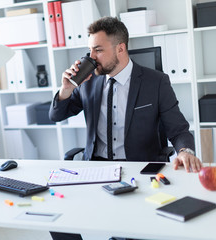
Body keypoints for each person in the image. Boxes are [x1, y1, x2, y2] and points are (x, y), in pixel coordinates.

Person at [48, 16, 202, 240]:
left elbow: (178, 129)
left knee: (132, 229)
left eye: (98, 50)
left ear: (120, 48)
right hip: (96, 168)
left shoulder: (156, 82)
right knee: (59, 217)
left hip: (138, 169)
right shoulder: (87, 81)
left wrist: (185, 151)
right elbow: (56, 115)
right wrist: (66, 88)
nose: (91, 58)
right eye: (90, 50)